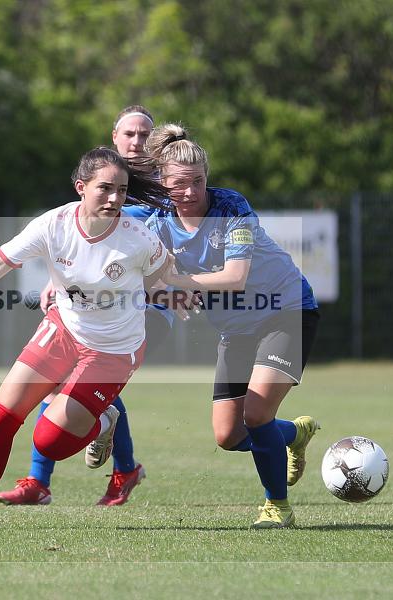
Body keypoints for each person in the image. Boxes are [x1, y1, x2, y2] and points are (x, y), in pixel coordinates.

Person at [0, 146, 171, 531]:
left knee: (49, 441)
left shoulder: (137, 238)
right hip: (63, 330)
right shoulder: (53, 224)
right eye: (105, 188)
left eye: (121, 189)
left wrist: (145, 295)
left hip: (114, 350)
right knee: (1, 418)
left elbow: (163, 268)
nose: (115, 198)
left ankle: (104, 422)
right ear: (80, 187)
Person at [0, 105, 179, 507]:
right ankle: (76, 473)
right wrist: (54, 282)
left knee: (80, 376)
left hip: (149, 305)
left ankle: (46, 478)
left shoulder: (165, 193)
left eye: (145, 135)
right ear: (114, 136)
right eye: (129, 133)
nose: (137, 141)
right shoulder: (103, 181)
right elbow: (75, 247)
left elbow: (172, 250)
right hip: (98, 306)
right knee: (65, 376)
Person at [143, 123, 321, 529]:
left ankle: (278, 506)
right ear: (162, 183)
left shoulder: (231, 208)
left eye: (198, 182)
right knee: (228, 435)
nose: (190, 192)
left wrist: (176, 283)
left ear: (208, 177)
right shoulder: (156, 222)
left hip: (287, 311)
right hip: (237, 329)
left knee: (256, 414)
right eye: (179, 185)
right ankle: (293, 434)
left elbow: (235, 276)